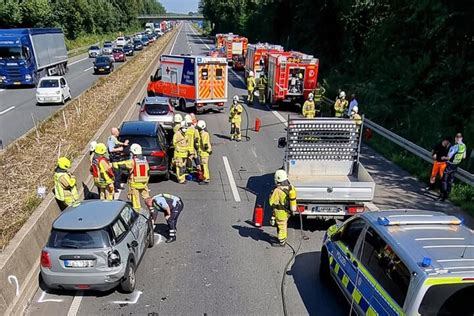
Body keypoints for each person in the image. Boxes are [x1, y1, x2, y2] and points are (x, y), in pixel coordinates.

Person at [269, 170, 296, 247]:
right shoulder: (290, 187)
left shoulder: (277, 190)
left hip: (280, 213)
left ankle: (281, 241)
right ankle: (282, 239)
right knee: (283, 225)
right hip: (286, 212)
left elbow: (271, 202)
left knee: (281, 226)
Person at [439, 133, 466, 201]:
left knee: (444, 180)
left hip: (450, 164)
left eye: (456, 138)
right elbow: (464, 157)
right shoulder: (464, 146)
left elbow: (448, 157)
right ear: (461, 138)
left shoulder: (454, 147)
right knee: (450, 180)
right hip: (456, 165)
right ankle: (447, 194)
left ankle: (443, 195)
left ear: (456, 138)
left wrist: (443, 157)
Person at [125, 144, 150, 211]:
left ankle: (138, 211)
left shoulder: (133, 161)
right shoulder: (144, 160)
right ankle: (151, 208)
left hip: (134, 182)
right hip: (144, 182)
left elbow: (126, 165)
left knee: (135, 200)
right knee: (146, 196)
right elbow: (148, 170)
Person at [107, 127, 129, 192]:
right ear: (115, 133)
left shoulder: (114, 138)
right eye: (118, 132)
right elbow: (111, 150)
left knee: (119, 172)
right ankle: (115, 187)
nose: (119, 133)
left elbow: (117, 142)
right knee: (116, 173)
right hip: (114, 159)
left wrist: (123, 144)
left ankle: (118, 185)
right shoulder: (111, 139)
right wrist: (119, 149)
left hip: (117, 158)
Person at [197, 120, 212, 184]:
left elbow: (205, 144)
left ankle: (206, 178)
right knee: (204, 165)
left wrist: (207, 150)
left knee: (204, 166)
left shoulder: (204, 134)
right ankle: (205, 177)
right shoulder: (202, 132)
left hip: (204, 153)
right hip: (203, 152)